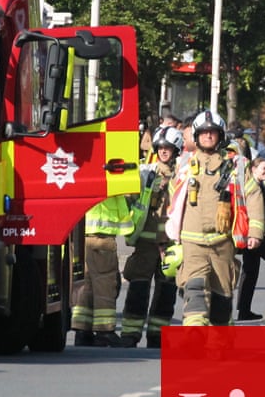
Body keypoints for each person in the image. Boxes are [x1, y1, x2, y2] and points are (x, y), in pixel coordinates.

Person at [164, 110, 264, 326]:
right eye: (204, 132)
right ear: (197, 136)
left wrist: (255, 232)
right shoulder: (184, 165)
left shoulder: (237, 165)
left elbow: (253, 196)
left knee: (222, 300)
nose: (208, 136)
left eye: (213, 132)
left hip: (223, 243)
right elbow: (173, 200)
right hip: (193, 243)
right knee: (195, 291)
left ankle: (218, 349)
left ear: (220, 136)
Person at [118, 126, 183, 348]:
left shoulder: (182, 176)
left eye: (169, 148)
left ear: (176, 150)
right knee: (138, 287)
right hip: (145, 242)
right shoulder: (146, 173)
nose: (164, 151)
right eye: (161, 147)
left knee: (166, 291)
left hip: (171, 244)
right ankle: (130, 333)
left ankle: (157, 335)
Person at [72, 196, 133, 347]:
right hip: (103, 237)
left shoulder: (81, 176)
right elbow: (127, 223)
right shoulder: (112, 179)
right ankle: (104, 331)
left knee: (85, 285)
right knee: (105, 285)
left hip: (80, 236)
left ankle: (82, 331)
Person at [235, 157, 265, 321]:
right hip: (253, 236)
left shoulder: (260, 186)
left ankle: (244, 310)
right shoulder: (253, 187)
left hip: (253, 234)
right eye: (262, 168)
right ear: (253, 169)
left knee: (250, 272)